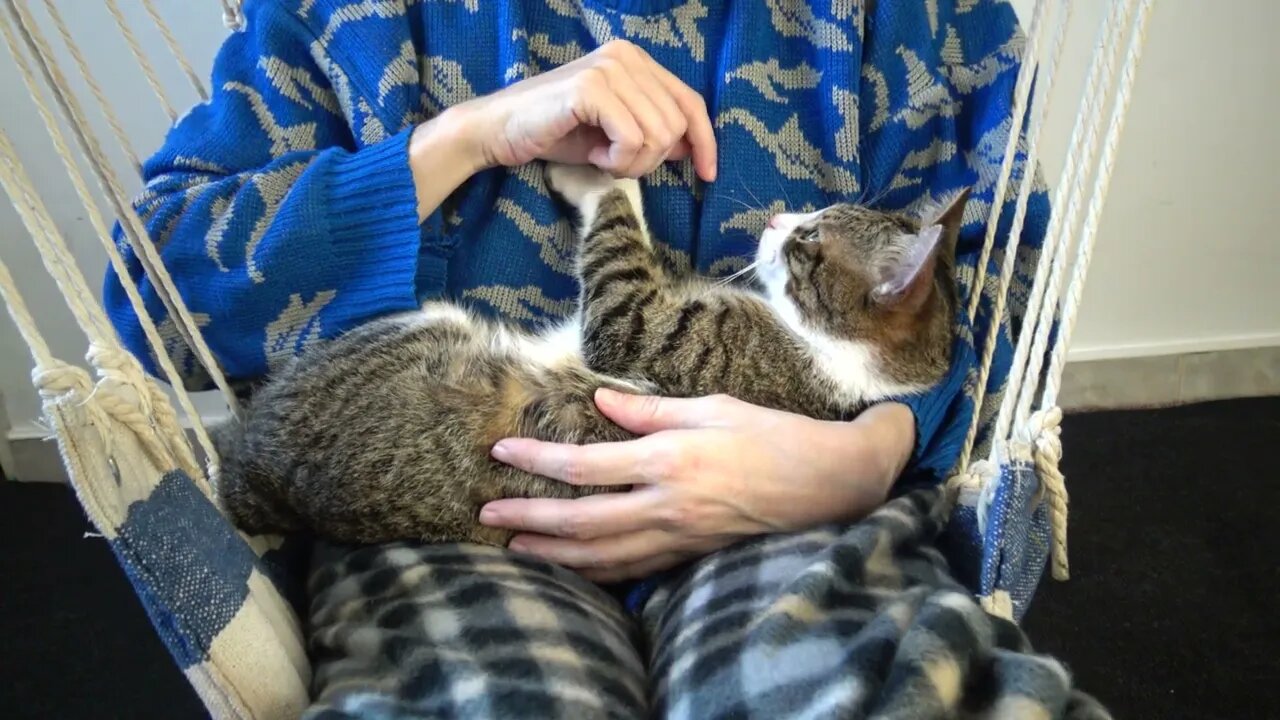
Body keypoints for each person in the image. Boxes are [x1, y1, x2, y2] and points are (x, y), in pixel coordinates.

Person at [106, 1, 1093, 718]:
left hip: (801, 501)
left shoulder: (926, 23)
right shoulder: (344, 22)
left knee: (853, 684)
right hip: (467, 519)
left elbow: (1014, 283)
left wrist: (870, 452)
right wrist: (463, 138)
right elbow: (155, 296)